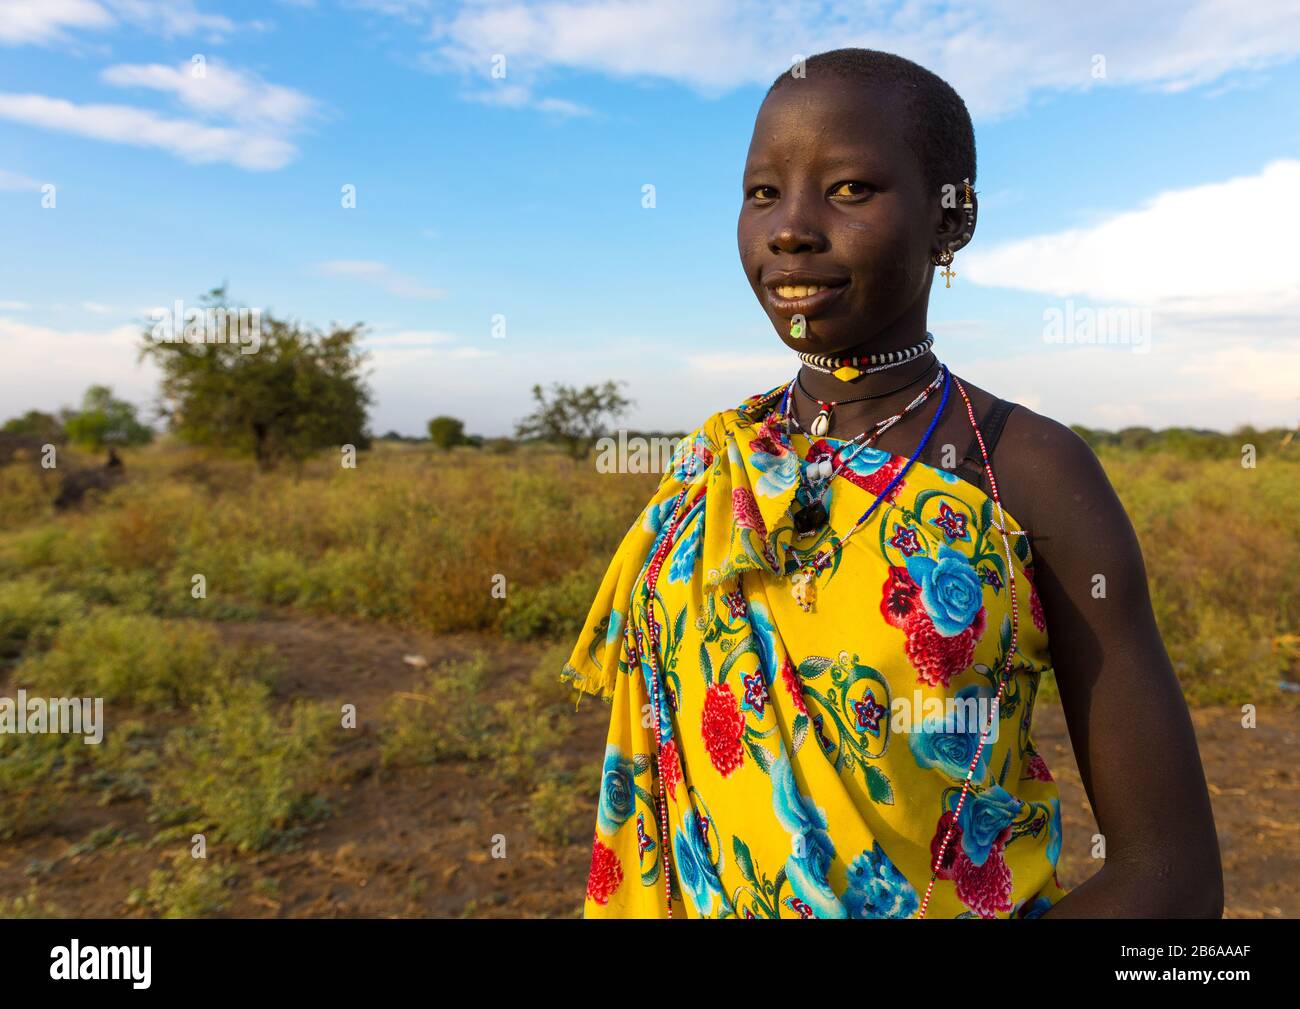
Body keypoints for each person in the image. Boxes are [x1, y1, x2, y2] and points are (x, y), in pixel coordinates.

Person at [561, 48, 1222, 919]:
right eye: (763, 192)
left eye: (848, 189)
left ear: (953, 220)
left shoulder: (1024, 469)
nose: (789, 226)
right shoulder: (713, 464)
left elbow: (1171, 880)